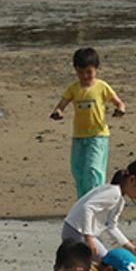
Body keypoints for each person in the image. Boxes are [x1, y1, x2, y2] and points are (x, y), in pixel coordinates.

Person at [50, 46, 126, 196]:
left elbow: (119, 103)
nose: (85, 76)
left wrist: (120, 110)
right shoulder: (73, 88)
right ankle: (83, 202)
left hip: (98, 136)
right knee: (78, 171)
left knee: (93, 169)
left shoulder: (102, 87)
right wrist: (58, 112)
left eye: (89, 72)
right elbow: (61, 105)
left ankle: (95, 199)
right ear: (75, 70)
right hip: (79, 137)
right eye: (80, 72)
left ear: (96, 69)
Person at [61, 158, 136, 258]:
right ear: (132, 180)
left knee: (97, 264)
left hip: (76, 230)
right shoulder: (113, 193)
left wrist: (132, 248)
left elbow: (111, 226)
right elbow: (87, 208)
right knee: (107, 264)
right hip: (76, 231)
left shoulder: (119, 199)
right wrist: (88, 238)